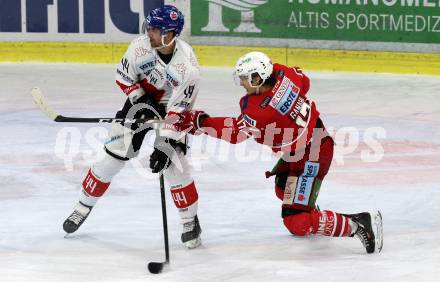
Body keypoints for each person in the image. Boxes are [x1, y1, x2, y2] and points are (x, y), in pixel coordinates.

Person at [172, 51, 383, 253]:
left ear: (257, 78)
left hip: (313, 153)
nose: (242, 83)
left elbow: (235, 133)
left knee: (296, 222)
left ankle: (358, 224)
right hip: (308, 144)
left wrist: (199, 122)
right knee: (283, 187)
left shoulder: (258, 110)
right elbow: (305, 81)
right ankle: (313, 215)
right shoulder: (283, 73)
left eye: (245, 78)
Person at [63, 5, 202, 249]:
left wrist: (166, 143)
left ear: (170, 35)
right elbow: (124, 77)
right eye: (149, 27)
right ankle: (82, 205)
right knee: (111, 157)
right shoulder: (139, 47)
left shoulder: (187, 68)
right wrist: (140, 100)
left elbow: (180, 111)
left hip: (172, 110)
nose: (149, 32)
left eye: (155, 30)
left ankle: (190, 221)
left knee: (174, 166)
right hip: (141, 100)